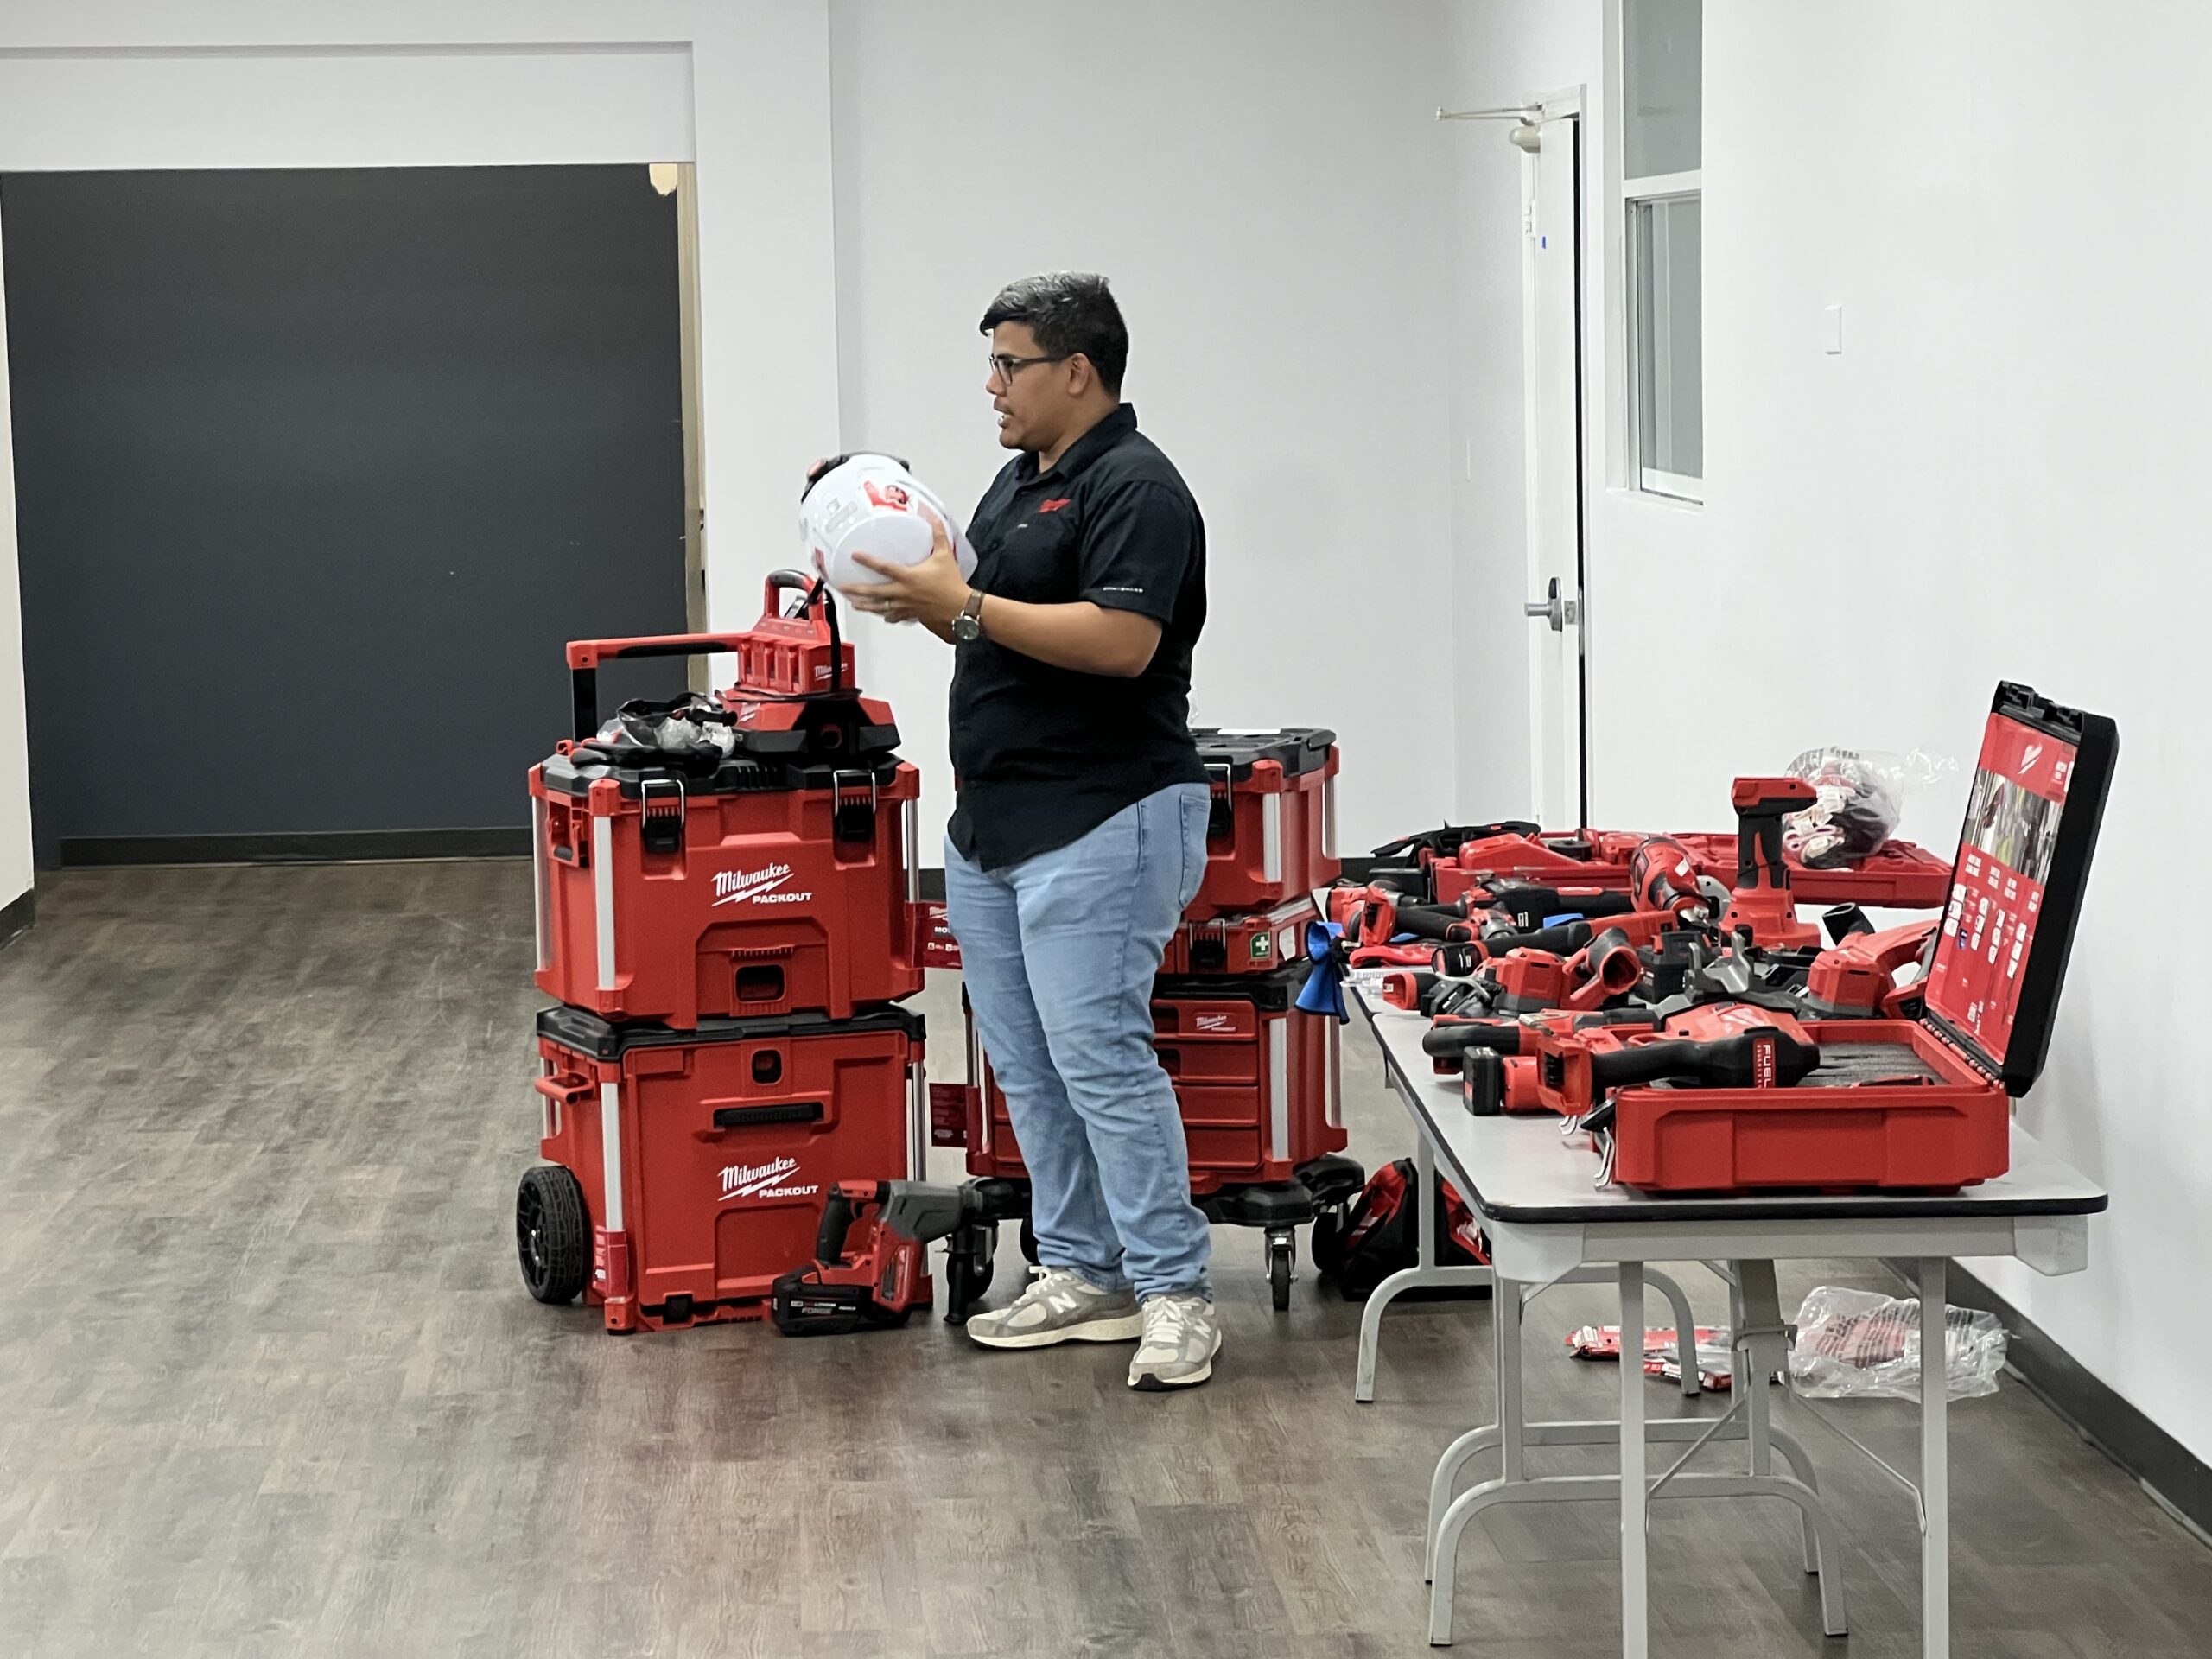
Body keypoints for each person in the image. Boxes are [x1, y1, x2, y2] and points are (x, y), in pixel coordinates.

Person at [841, 272, 1218, 1390]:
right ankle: (1085, 1270)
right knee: (1031, 1066)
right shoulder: (1018, 484)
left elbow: (1120, 644)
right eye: (992, 364)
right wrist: (921, 580)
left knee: (1101, 1059)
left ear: (1078, 372)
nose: (992, 386)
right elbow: (990, 627)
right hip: (995, 830)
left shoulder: (1138, 488)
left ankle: (1175, 1291)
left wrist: (958, 605)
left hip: (1105, 816)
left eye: (1010, 364)